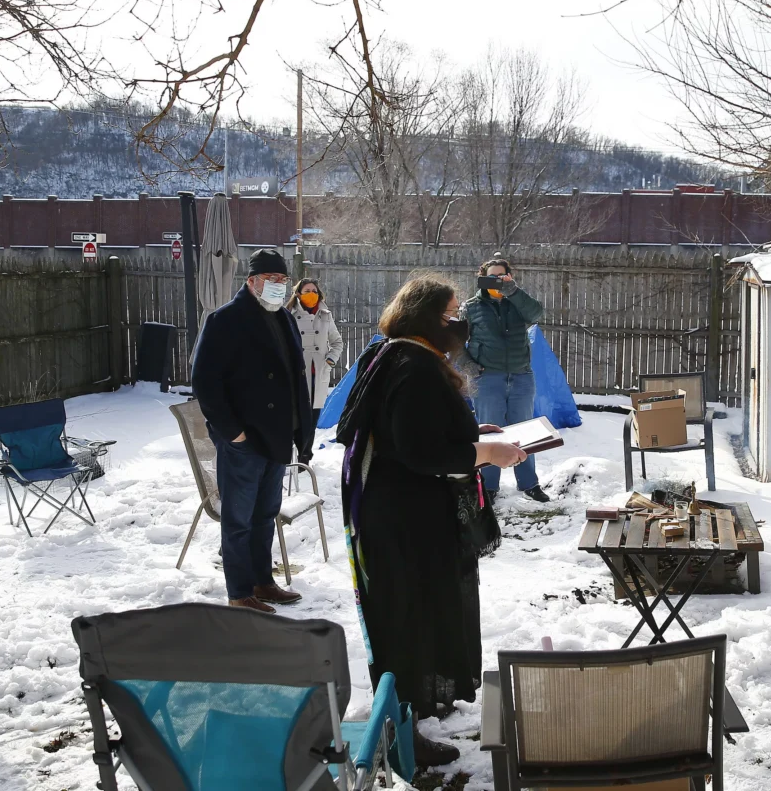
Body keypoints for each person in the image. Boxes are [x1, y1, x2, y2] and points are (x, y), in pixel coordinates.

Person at [336, 277, 527, 767]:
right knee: (409, 623)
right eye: (448, 316)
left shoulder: (390, 353)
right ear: (424, 317)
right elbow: (421, 451)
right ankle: (403, 735)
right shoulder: (415, 366)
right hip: (407, 523)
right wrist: (483, 451)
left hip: (394, 513)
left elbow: (410, 431)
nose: (457, 324)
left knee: (406, 617)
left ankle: (406, 719)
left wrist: (469, 433)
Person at [191, 249, 314, 614]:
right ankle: (239, 592)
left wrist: (300, 431)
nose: (278, 287)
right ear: (251, 281)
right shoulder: (225, 320)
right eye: (270, 281)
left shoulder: (284, 318)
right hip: (244, 441)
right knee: (239, 521)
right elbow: (204, 381)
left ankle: (263, 581)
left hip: (277, 437)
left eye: (282, 281)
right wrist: (233, 433)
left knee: (265, 515)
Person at [463, 256, 547, 503]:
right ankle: (489, 487)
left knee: (525, 432)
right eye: (492, 276)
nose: (497, 281)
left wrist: (513, 291)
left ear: (509, 277)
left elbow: (537, 313)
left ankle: (529, 484)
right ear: (482, 278)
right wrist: (469, 366)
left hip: (521, 376)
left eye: (502, 276)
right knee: (490, 433)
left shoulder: (518, 302)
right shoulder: (470, 307)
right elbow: (456, 343)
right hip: (488, 377)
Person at [287, 278, 344, 429]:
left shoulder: (326, 315)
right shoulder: (288, 315)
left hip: (318, 375)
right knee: (295, 424)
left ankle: (306, 453)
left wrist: (330, 362)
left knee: (311, 424)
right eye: (307, 291)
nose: (311, 294)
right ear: (298, 294)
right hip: (297, 376)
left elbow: (337, 342)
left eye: (314, 291)